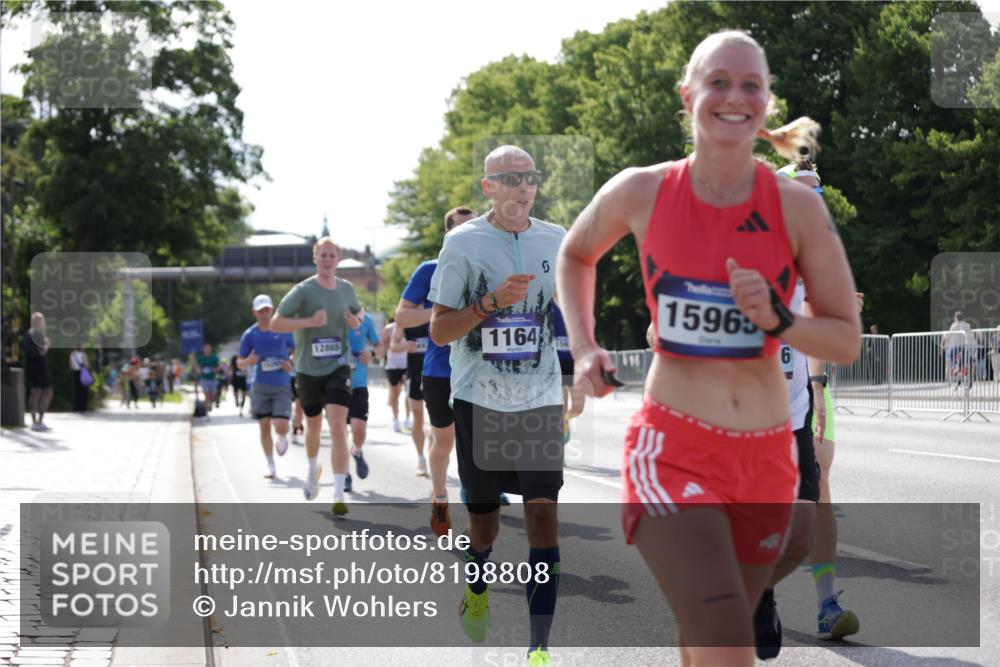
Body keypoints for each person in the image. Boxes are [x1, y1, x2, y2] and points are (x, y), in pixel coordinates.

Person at [556, 30, 861, 666]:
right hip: (674, 449)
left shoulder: (797, 208)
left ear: (768, 103)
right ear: (688, 94)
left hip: (768, 459)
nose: (734, 96)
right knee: (729, 645)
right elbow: (577, 252)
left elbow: (844, 336)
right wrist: (584, 348)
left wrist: (779, 319)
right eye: (718, 81)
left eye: (751, 84)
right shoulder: (642, 190)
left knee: (712, 641)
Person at [430, 145, 566, 667]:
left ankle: (538, 648)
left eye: (529, 176)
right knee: (484, 528)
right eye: (510, 178)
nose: (522, 186)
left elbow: (567, 311)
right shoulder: (462, 243)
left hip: (539, 401)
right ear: (489, 187)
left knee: (543, 517)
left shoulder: (555, 239)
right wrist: (490, 304)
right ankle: (478, 580)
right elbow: (440, 331)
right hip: (479, 403)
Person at [753, 161, 860, 659]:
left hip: (804, 391)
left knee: (815, 492)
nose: (812, 199)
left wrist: (818, 384)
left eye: (818, 191)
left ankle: (825, 604)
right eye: (802, 190)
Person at [397, 205, 477, 536]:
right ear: (448, 234)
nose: (471, 236)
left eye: (475, 229)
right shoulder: (429, 270)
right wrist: (441, 312)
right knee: (444, 439)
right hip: (440, 371)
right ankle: (440, 498)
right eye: (462, 230)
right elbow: (402, 317)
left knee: (477, 445)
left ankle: (477, 500)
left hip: (479, 370)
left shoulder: (487, 269)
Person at [271, 236, 364, 516]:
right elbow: (276, 323)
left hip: (339, 364)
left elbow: (358, 315)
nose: (327, 260)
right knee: (312, 427)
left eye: (331, 256)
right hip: (308, 369)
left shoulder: (347, 289)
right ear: (315, 258)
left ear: (338, 259)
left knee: (337, 424)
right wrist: (308, 322)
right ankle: (313, 469)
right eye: (322, 255)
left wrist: (354, 321)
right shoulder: (302, 291)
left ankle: (338, 493)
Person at [238, 294, 296, 480]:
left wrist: (290, 362)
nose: (264, 314)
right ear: (254, 312)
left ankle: (282, 436)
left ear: (272, 310)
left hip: (281, 384)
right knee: (264, 426)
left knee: (280, 424)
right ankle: (271, 464)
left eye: (267, 310)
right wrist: (248, 361)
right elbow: (240, 362)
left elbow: (296, 351)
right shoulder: (250, 335)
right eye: (261, 310)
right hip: (260, 385)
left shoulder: (283, 330)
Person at [344, 310, 382, 492]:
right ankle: (344, 474)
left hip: (358, 383)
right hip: (335, 383)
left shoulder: (366, 319)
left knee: (359, 430)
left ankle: (357, 450)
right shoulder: (331, 315)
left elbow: (380, 347)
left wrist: (372, 353)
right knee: (339, 431)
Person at [396, 298, 432, 476]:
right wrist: (404, 345)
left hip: (436, 371)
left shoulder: (436, 307)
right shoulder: (406, 314)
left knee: (438, 419)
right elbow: (394, 344)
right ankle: (421, 458)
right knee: (418, 415)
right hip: (415, 371)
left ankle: (433, 441)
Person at [551, 302, 585, 442]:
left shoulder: (574, 300)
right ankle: (559, 444)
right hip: (556, 362)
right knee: (562, 407)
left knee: (578, 408)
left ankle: (565, 422)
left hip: (575, 362)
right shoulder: (547, 303)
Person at [23, 312, 53, 431]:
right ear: (39, 322)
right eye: (41, 321)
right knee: (47, 392)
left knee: (34, 393)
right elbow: (41, 352)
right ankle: (39, 421)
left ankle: (34, 421)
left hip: (30, 367)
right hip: (40, 367)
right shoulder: (39, 335)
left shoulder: (28, 333)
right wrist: (47, 345)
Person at [380, 319, 409, 432]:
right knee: (395, 393)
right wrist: (391, 346)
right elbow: (383, 344)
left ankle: (407, 418)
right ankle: (396, 419)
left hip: (407, 364)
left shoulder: (411, 327)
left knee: (409, 392)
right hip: (392, 365)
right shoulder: (389, 328)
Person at [941, 311, 973, 389]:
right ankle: (962, 377)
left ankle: (956, 368)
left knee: (953, 357)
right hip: (965, 347)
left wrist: (944, 344)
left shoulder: (954, 325)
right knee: (964, 364)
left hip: (957, 346)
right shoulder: (967, 325)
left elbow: (949, 335)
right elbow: (971, 335)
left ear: (956, 318)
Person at [195, 343, 220, 416]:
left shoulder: (214, 357)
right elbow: (197, 366)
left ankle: (210, 404)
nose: (207, 350)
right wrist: (198, 370)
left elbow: (219, 367)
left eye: (208, 348)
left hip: (213, 378)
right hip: (204, 379)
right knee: (207, 394)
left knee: (212, 396)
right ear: (203, 349)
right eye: (205, 348)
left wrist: (215, 369)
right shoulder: (200, 357)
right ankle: (206, 411)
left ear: (211, 349)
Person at [69, 345, 90, 413]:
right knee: (83, 391)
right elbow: (87, 365)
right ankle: (83, 407)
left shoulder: (72, 354)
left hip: (75, 373)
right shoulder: (83, 354)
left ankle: (76, 408)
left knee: (76, 391)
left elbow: (71, 365)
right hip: (82, 372)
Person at [230, 352, 249, 416]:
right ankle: (236, 400)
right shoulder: (234, 358)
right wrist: (231, 376)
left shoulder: (246, 358)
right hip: (236, 379)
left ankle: (242, 407)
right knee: (236, 392)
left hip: (243, 379)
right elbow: (231, 368)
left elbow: (248, 368)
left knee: (244, 394)